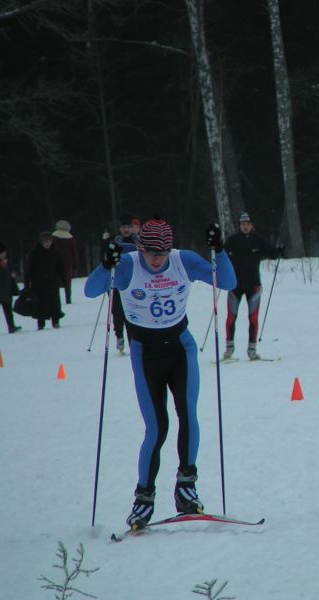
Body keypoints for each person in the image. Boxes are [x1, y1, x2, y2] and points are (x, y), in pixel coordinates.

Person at [84, 218, 236, 529]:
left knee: (188, 415)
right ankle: (144, 498)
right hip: (146, 353)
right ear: (140, 247)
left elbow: (229, 282)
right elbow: (90, 291)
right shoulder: (127, 265)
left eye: (163, 252)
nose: (158, 258)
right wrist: (104, 266)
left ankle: (185, 486)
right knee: (156, 428)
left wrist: (219, 250)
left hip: (181, 347)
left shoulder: (183, 261)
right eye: (152, 252)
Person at [223, 212, 281, 360]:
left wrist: (279, 250)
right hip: (234, 285)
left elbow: (272, 252)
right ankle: (229, 349)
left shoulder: (258, 239)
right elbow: (221, 254)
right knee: (231, 317)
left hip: (254, 285)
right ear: (239, 226)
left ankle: (252, 350)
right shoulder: (233, 240)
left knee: (253, 318)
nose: (245, 226)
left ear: (252, 225)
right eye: (243, 224)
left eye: (248, 224)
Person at [106, 214, 140, 354]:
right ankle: (119, 337)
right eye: (123, 227)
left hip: (132, 280)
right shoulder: (115, 240)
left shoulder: (136, 240)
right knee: (117, 311)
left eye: (128, 227)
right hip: (116, 280)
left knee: (131, 311)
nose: (125, 230)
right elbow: (106, 256)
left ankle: (134, 341)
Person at [25, 232, 65, 330]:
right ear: (41, 242)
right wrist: (27, 282)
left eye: (49, 241)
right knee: (40, 303)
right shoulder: (34, 253)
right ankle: (41, 323)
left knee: (55, 302)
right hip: (38, 282)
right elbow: (29, 269)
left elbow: (60, 267)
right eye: (45, 242)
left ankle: (55, 321)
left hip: (52, 281)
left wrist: (64, 280)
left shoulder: (56, 252)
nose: (47, 244)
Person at [0, 242, 21, 334]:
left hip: (6, 290)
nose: (4, 254)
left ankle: (11, 326)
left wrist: (14, 274)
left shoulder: (7, 262)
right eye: (2, 252)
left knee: (8, 311)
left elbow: (12, 271)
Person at [51, 219, 79, 304]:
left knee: (55, 283)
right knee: (67, 283)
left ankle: (56, 300)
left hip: (55, 263)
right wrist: (75, 265)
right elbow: (74, 252)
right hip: (68, 263)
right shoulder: (70, 238)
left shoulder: (53, 237)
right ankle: (68, 299)